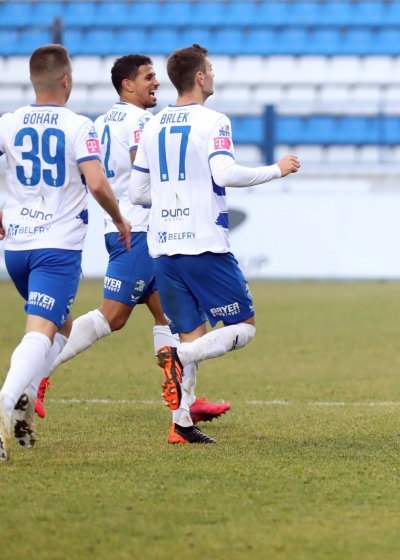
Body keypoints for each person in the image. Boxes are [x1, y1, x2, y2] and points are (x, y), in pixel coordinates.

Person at [34, 54, 231, 425]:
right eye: (148, 77)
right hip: (139, 229)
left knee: (172, 316)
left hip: (127, 228)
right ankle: (38, 374)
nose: (156, 83)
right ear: (128, 84)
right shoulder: (142, 121)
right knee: (113, 315)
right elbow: (146, 170)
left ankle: (184, 403)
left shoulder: (101, 121)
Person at [129, 44, 300, 444]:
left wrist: (176, 195)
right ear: (201, 77)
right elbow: (224, 174)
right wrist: (277, 169)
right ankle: (178, 360)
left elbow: (137, 191)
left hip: (163, 246)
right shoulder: (214, 121)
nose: (214, 76)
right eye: (211, 70)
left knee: (191, 332)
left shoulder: (151, 125)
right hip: (203, 242)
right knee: (243, 326)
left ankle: (181, 424)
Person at [0, 44, 131, 461]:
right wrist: (120, 217)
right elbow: (95, 183)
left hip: (17, 247)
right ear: (67, 81)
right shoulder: (78, 126)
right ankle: (6, 402)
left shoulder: (8, 122)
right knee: (40, 330)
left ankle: (22, 402)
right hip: (56, 247)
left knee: (63, 327)